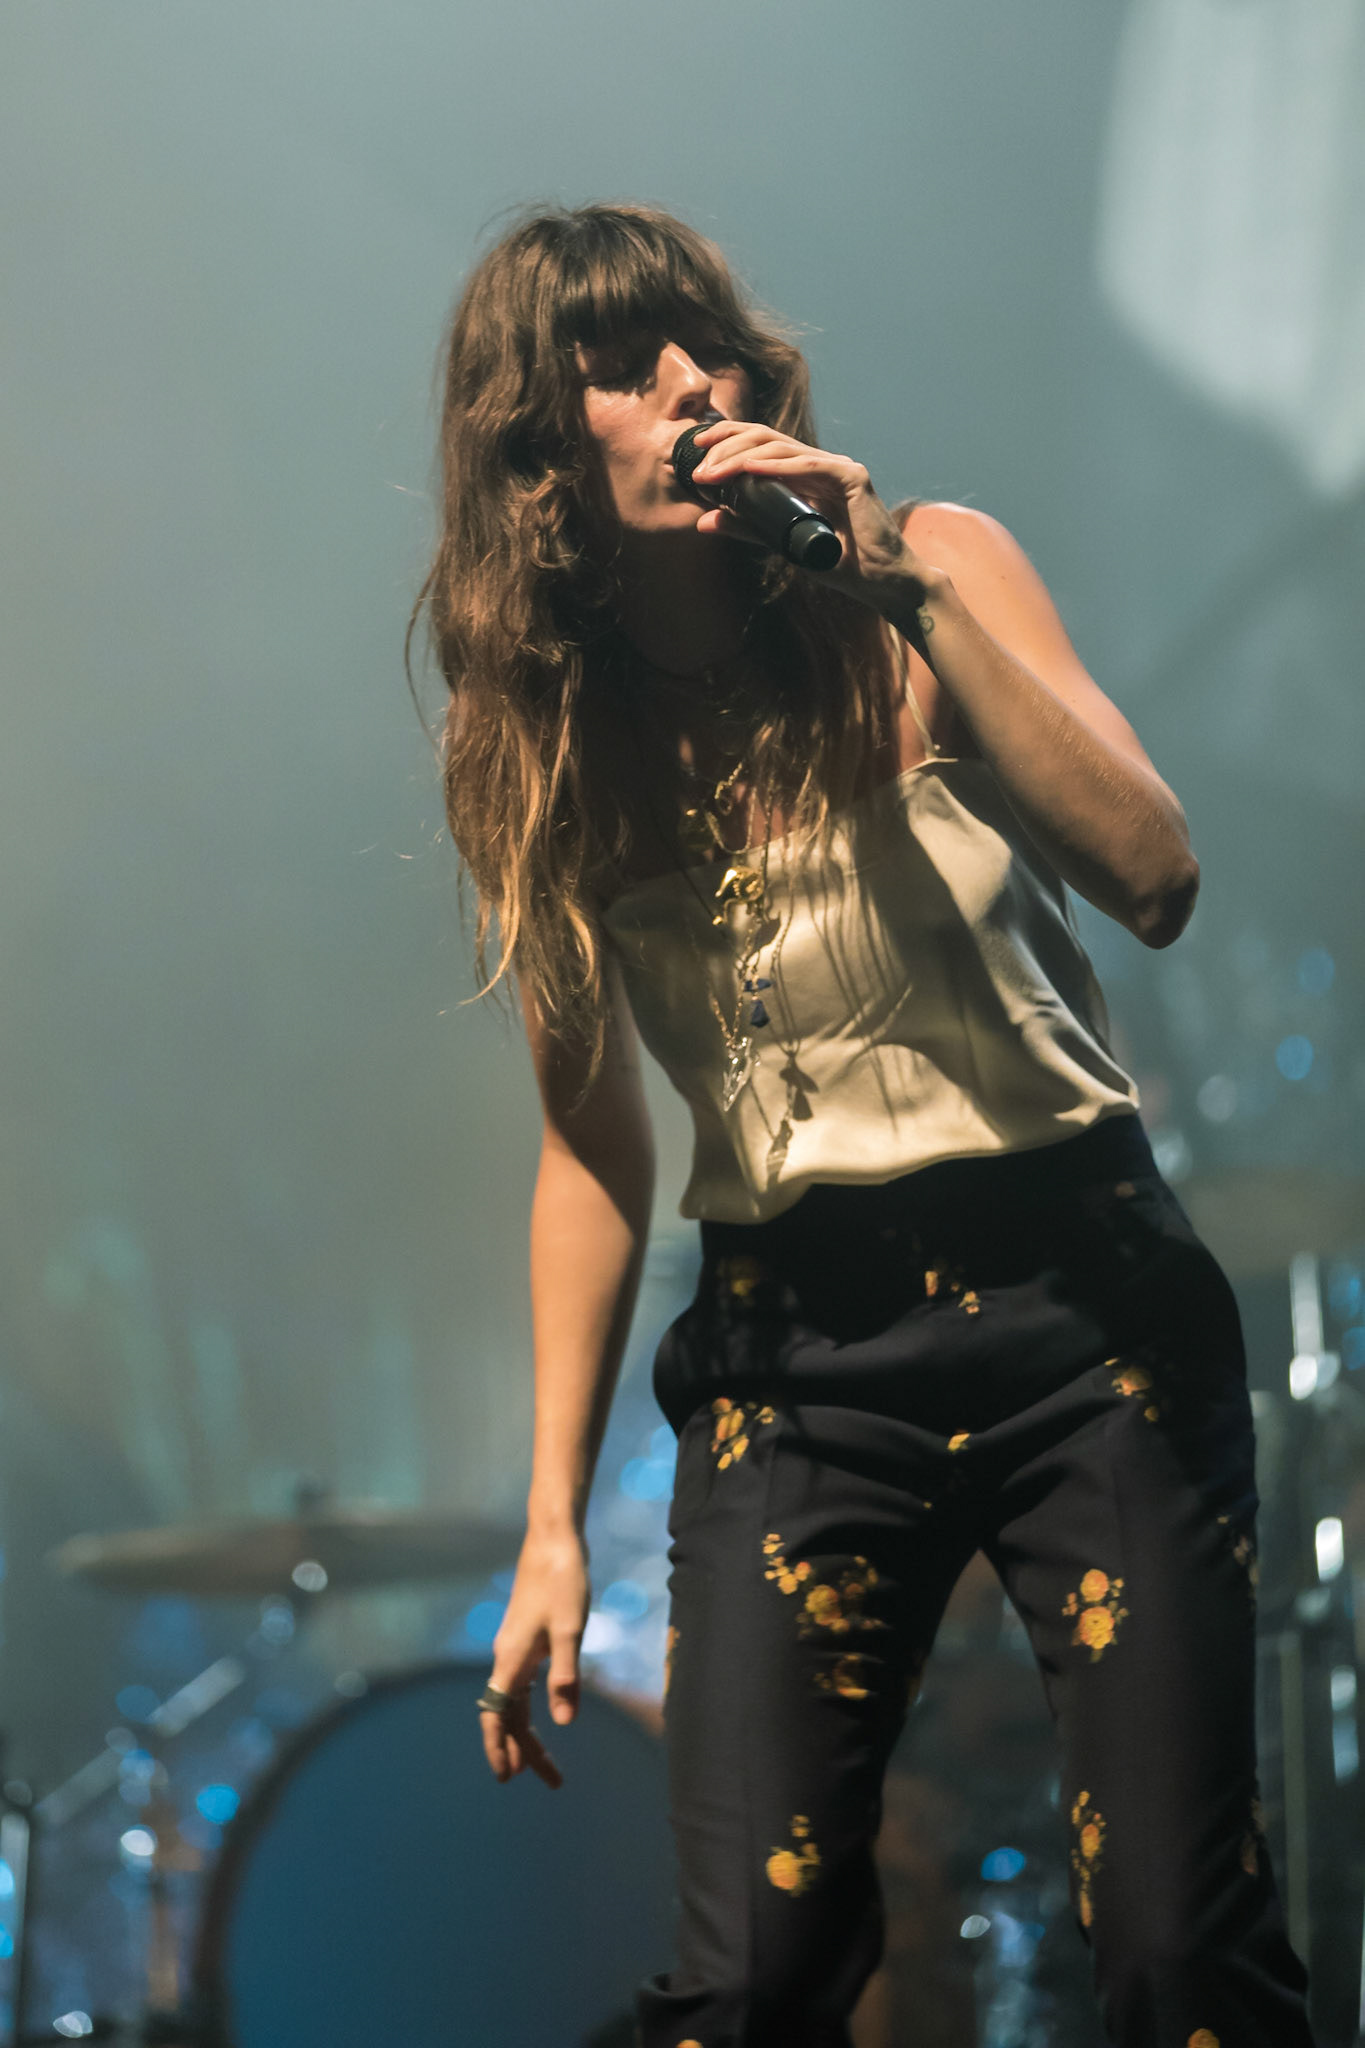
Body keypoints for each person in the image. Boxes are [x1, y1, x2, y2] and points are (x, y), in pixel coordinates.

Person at [412, 201, 1315, 2047]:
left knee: (1168, 1957)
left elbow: (1153, 875)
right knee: (749, 1977)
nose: (692, 383)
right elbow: (592, 1148)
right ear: (532, 438)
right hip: (795, 1360)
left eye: (706, 345)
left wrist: (892, 577)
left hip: (1085, 1317)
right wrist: (549, 1527)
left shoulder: (928, 574)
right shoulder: (536, 741)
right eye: (623, 359)